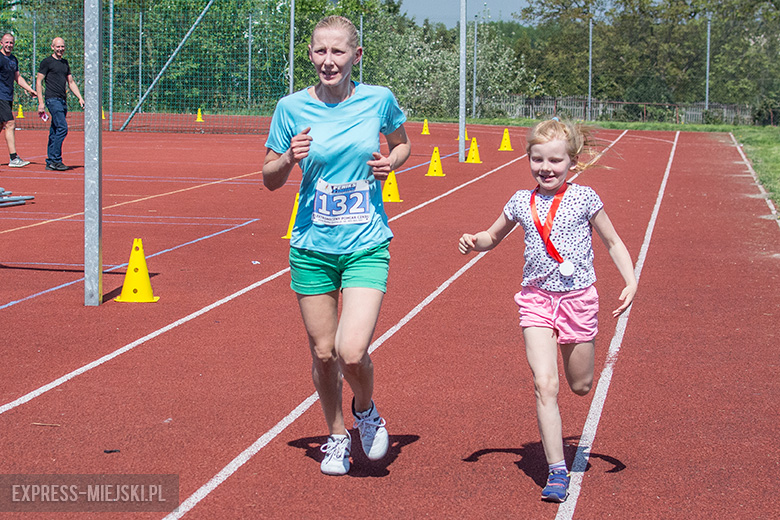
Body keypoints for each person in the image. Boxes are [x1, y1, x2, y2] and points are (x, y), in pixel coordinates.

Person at [458, 118, 637, 502]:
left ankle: (565, 444)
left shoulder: (585, 198)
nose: (546, 168)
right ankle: (557, 471)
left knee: (580, 385)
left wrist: (631, 280)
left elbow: (613, 241)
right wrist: (476, 240)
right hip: (536, 300)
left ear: (572, 161)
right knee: (545, 385)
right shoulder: (521, 201)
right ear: (529, 159)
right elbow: (493, 235)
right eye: (537, 159)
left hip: (578, 300)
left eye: (555, 160)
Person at [262, 15, 410, 476]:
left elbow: (402, 145)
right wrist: (288, 157)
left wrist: (391, 163)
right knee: (323, 354)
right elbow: (268, 179)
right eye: (321, 52)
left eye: (338, 52)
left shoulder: (378, 99)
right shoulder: (291, 108)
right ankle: (336, 436)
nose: (329, 61)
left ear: (356, 56)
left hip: (366, 242)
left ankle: (365, 410)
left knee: (350, 350)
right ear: (310, 54)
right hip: (312, 246)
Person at [36, 37, 84, 171]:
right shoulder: (47, 62)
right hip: (52, 100)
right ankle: (56, 160)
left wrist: (80, 97)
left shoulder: (65, 63)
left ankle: (50, 161)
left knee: (55, 130)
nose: (60, 49)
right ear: (52, 47)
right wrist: (41, 103)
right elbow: (39, 81)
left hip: (63, 101)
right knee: (63, 128)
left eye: (62, 47)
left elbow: (71, 82)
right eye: (58, 47)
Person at [0, 33, 38, 168]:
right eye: (6, 42)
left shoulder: (13, 59)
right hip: (1, 97)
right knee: (10, 123)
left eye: (11, 43)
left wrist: (29, 89)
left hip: (7, 96)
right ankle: (14, 158)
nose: (9, 45)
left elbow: (18, 77)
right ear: (1, 43)